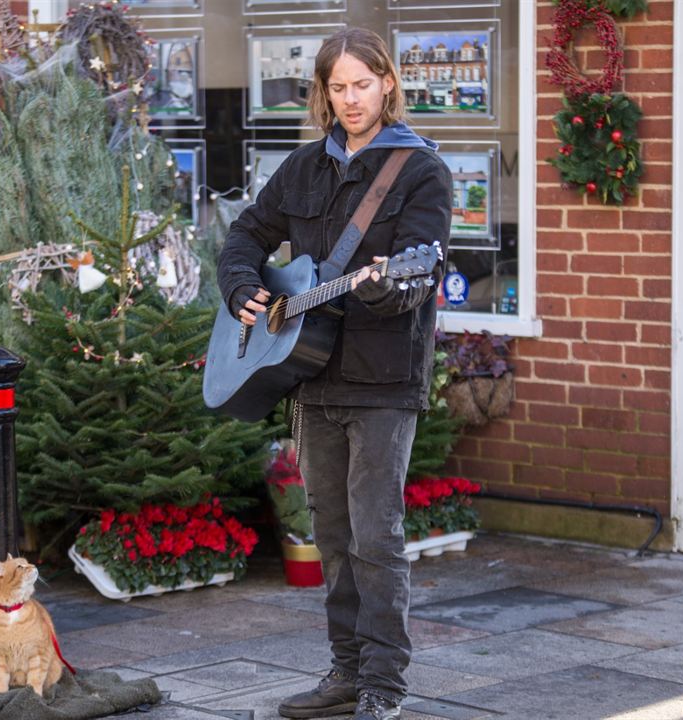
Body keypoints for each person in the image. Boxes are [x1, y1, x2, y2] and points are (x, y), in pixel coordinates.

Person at [217, 27, 452, 720]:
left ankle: (385, 685)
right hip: (310, 376)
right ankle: (345, 673)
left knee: (376, 536)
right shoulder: (302, 169)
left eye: (362, 84)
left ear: (387, 83)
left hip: (384, 379)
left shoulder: (419, 171)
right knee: (332, 535)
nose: (351, 99)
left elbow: (421, 273)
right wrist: (240, 290)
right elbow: (245, 237)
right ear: (323, 92)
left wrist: (385, 285)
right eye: (337, 87)